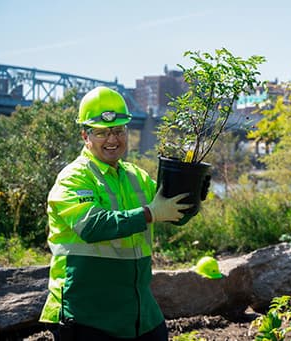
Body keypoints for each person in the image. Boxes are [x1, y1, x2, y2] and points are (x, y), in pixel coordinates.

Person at [39, 86, 195, 340]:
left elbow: (175, 213)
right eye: (102, 132)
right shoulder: (74, 178)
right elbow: (91, 226)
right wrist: (149, 213)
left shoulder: (137, 176)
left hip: (140, 314)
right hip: (88, 315)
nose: (112, 139)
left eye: (118, 130)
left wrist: (192, 190)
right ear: (85, 136)